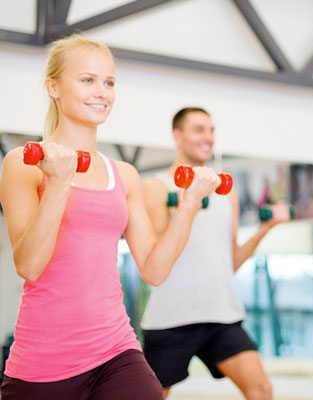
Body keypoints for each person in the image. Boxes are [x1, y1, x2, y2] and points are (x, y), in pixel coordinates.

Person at [0, 35, 220, 399]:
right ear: (53, 87)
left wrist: (190, 204)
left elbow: (154, 269)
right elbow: (29, 265)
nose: (101, 92)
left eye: (109, 82)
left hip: (114, 349)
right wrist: (58, 183)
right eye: (87, 80)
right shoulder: (24, 164)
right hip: (42, 363)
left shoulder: (125, 175)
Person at [141, 107, 289, 400]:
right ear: (177, 136)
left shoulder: (226, 191)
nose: (208, 138)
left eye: (211, 131)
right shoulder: (157, 188)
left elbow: (230, 261)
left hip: (221, 314)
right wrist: (186, 206)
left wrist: (264, 229)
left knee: (261, 390)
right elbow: (155, 260)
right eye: (199, 130)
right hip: (171, 318)